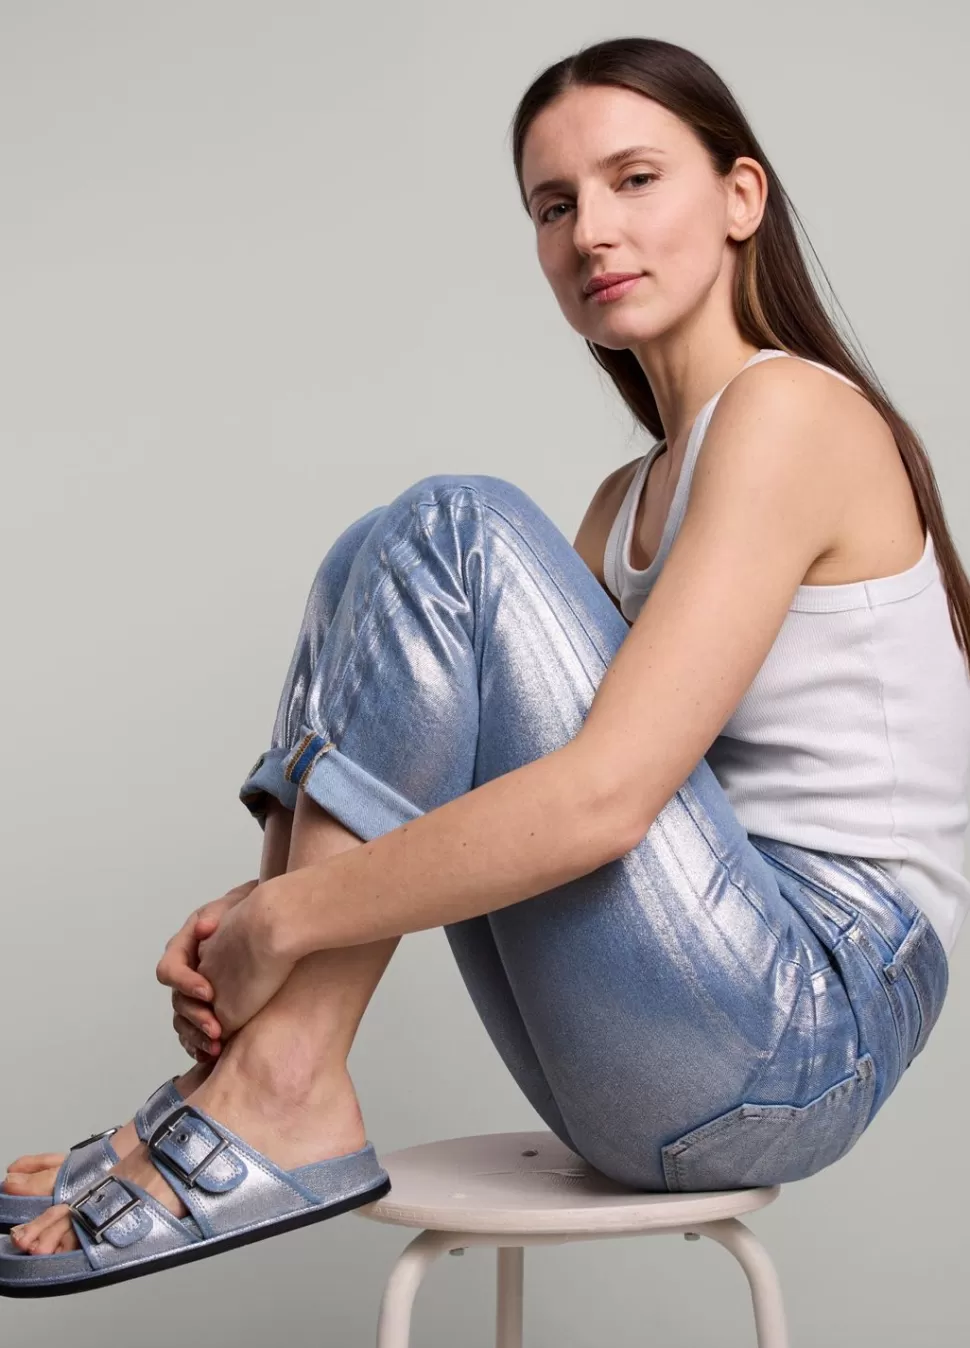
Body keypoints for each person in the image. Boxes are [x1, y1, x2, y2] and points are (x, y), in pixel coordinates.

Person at [3, 34, 969, 1295]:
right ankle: (255, 1076)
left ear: (741, 197)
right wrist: (259, 915)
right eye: (553, 206)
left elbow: (602, 801)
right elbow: (474, 785)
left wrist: (283, 919)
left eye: (634, 180)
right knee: (370, 558)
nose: (591, 233)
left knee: (450, 529)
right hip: (668, 1044)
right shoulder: (623, 503)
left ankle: (276, 1085)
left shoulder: (795, 412)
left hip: (809, 1024)